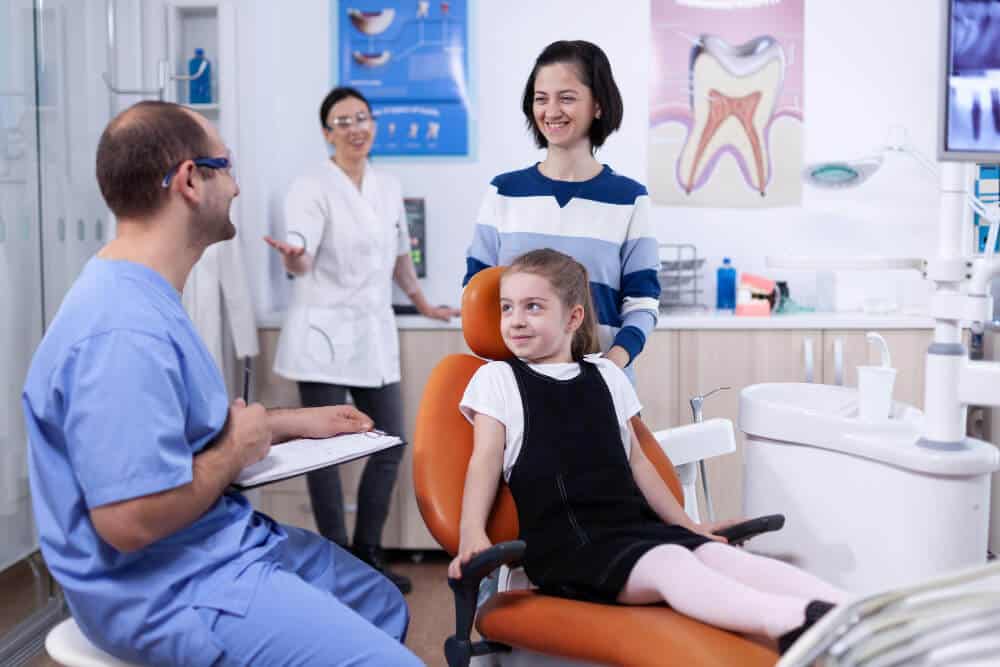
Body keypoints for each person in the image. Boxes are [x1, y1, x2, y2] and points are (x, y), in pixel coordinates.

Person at [22, 101, 422, 667]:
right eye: (227, 166)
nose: (236, 187)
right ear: (190, 181)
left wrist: (282, 423)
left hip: (214, 541)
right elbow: (129, 521)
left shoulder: (146, 296)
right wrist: (236, 449)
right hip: (168, 588)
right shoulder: (121, 330)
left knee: (380, 603)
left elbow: (178, 432)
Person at [450, 248, 848, 654]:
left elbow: (638, 462)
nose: (515, 320)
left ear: (572, 317)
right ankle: (794, 624)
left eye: (533, 307)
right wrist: (472, 532)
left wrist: (687, 526)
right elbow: (484, 461)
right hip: (569, 548)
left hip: (635, 528)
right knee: (671, 564)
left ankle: (851, 613)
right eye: (507, 307)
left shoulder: (607, 375)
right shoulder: (497, 379)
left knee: (718, 556)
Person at [265, 86, 458, 594]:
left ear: (373, 124)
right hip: (323, 334)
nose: (355, 128)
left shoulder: (387, 185)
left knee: (390, 441)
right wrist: (293, 257)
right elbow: (302, 249)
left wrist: (423, 304)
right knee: (323, 454)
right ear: (327, 133)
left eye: (362, 118)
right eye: (343, 121)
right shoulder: (310, 186)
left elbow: (400, 256)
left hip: (372, 333)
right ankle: (334, 561)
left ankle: (367, 553)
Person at [463, 41, 660, 372]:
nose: (551, 111)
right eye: (541, 99)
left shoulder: (629, 198)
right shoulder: (504, 192)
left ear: (598, 106)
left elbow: (642, 303)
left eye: (566, 98)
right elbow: (476, 293)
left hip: (600, 379)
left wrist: (613, 364)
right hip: (518, 383)